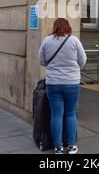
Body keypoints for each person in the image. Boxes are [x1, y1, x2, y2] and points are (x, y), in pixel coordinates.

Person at [38, 18, 87, 155]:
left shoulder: (47, 41)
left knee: (56, 115)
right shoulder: (74, 41)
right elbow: (83, 61)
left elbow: (41, 60)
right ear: (68, 27)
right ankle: (71, 146)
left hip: (53, 83)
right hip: (72, 83)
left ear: (55, 27)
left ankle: (58, 147)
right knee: (71, 113)